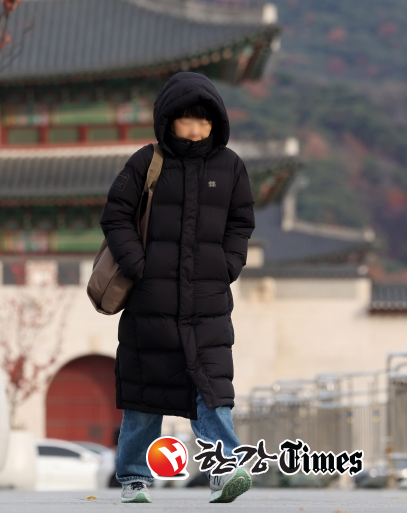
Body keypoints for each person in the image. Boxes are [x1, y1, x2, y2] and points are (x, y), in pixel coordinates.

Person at [100, 72, 255, 504]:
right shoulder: (146, 162)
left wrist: (229, 264)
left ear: (216, 123)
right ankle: (133, 478)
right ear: (168, 121)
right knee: (144, 395)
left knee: (212, 391)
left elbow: (242, 223)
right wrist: (139, 265)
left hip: (207, 303)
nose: (195, 129)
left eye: (204, 121)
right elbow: (115, 216)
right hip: (152, 301)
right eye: (186, 120)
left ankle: (227, 470)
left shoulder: (231, 167)